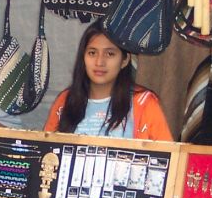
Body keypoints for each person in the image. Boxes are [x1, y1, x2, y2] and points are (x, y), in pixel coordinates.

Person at [43, 21, 173, 141]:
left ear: (125, 60)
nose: (99, 62)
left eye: (110, 54)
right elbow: (46, 150)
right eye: (92, 53)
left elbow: (166, 154)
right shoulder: (65, 100)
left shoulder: (144, 103)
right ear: (83, 57)